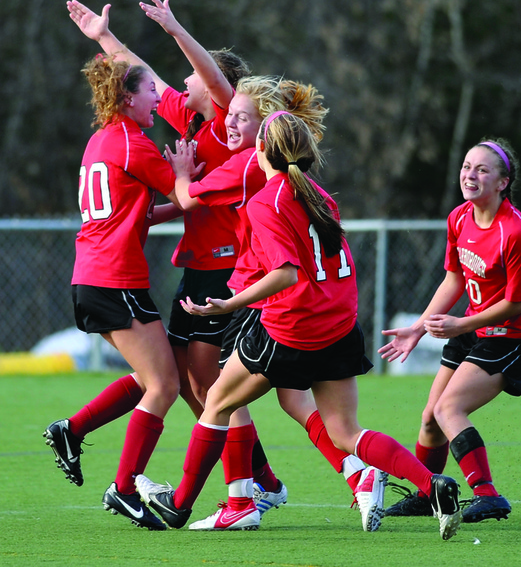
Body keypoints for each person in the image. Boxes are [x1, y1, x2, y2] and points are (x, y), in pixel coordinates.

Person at [134, 112, 463, 540]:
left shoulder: (265, 201)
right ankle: (432, 484)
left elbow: (286, 273)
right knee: (345, 432)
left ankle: (181, 507)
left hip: (293, 329)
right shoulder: (320, 196)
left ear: (261, 150)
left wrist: (229, 303)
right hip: (339, 327)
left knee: (215, 401)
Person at [66, 0, 285, 506]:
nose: (176, 85)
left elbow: (194, 82)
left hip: (227, 270)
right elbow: (136, 79)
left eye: (190, 78)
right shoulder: (189, 122)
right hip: (197, 269)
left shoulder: (229, 124)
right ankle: (262, 483)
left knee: (211, 386)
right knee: (188, 384)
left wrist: (173, 27)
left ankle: (245, 495)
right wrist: (103, 38)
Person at [168, 76, 388, 531]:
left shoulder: (248, 165)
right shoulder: (273, 166)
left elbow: (187, 197)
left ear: (265, 129)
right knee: (291, 400)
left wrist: (182, 174)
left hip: (258, 299)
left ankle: (236, 501)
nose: (230, 122)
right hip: (291, 302)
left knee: (220, 397)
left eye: (241, 117)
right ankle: (354, 471)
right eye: (229, 115)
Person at [43, 53, 198, 530]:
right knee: (166, 384)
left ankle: (72, 430)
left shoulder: (101, 140)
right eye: (152, 90)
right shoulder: (134, 144)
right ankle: (125, 488)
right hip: (114, 278)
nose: (159, 98)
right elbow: (187, 197)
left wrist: (180, 189)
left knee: (157, 373)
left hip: (93, 277)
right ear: (128, 97)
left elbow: (141, 213)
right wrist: (187, 168)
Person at [379, 138, 521, 523]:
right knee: (429, 418)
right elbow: (453, 279)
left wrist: (461, 324)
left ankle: (488, 495)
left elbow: (517, 305)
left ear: (503, 182)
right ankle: (428, 493)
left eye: (482, 169)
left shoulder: (517, 234)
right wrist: (419, 328)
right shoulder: (459, 218)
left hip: (514, 332)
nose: (470, 175)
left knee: (449, 408)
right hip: (476, 324)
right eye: (467, 166)